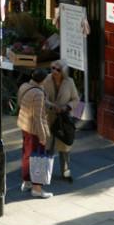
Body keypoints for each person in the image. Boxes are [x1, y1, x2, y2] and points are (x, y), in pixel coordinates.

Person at [18, 68, 53, 198]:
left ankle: (26, 181)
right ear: (43, 80)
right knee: (38, 158)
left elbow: (20, 103)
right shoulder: (37, 93)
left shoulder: (24, 86)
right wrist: (43, 137)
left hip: (24, 125)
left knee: (27, 154)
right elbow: (38, 117)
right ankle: (37, 188)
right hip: (34, 129)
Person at [43, 60, 80, 183]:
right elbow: (41, 96)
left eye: (58, 70)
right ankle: (45, 173)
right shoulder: (46, 79)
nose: (54, 71)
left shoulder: (70, 82)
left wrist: (66, 107)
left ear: (63, 72)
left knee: (64, 146)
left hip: (63, 118)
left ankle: (66, 172)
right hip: (50, 116)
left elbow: (75, 99)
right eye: (53, 68)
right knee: (48, 146)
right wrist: (51, 105)